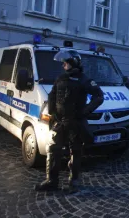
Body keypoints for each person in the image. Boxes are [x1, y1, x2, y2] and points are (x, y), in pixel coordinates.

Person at [35, 50, 104, 192]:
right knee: (53, 149)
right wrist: (52, 112)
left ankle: (74, 181)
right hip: (60, 121)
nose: (63, 65)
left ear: (72, 63)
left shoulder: (84, 79)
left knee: (75, 151)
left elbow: (99, 96)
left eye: (65, 63)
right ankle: (51, 181)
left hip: (75, 122)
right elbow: (52, 95)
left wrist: (84, 112)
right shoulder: (61, 78)